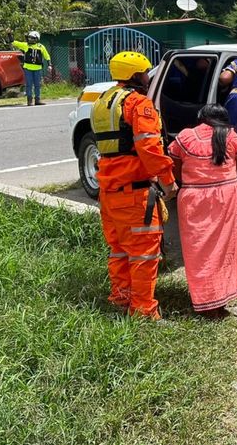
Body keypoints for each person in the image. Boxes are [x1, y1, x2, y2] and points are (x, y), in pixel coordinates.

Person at [91, 51, 178, 320]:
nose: (148, 77)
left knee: (119, 250)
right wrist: (169, 182)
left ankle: (121, 297)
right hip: (135, 194)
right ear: (135, 76)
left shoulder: (102, 102)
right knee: (143, 256)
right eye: (145, 73)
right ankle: (143, 313)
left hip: (109, 191)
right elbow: (149, 147)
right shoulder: (139, 104)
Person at [167, 104, 237, 320]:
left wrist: (188, 182)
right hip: (227, 196)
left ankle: (205, 301)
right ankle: (219, 300)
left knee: (199, 251)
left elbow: (174, 166)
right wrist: (227, 181)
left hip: (194, 197)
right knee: (225, 250)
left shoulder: (185, 136)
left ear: (201, 118)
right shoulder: (231, 135)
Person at [11, 30, 51, 105]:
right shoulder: (26, 45)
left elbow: (47, 56)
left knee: (37, 85)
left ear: (36, 39)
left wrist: (49, 65)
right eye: (29, 38)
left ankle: (37, 100)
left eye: (32, 38)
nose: (30, 40)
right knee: (29, 84)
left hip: (38, 69)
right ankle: (29, 100)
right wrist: (9, 34)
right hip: (28, 69)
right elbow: (14, 43)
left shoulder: (41, 47)